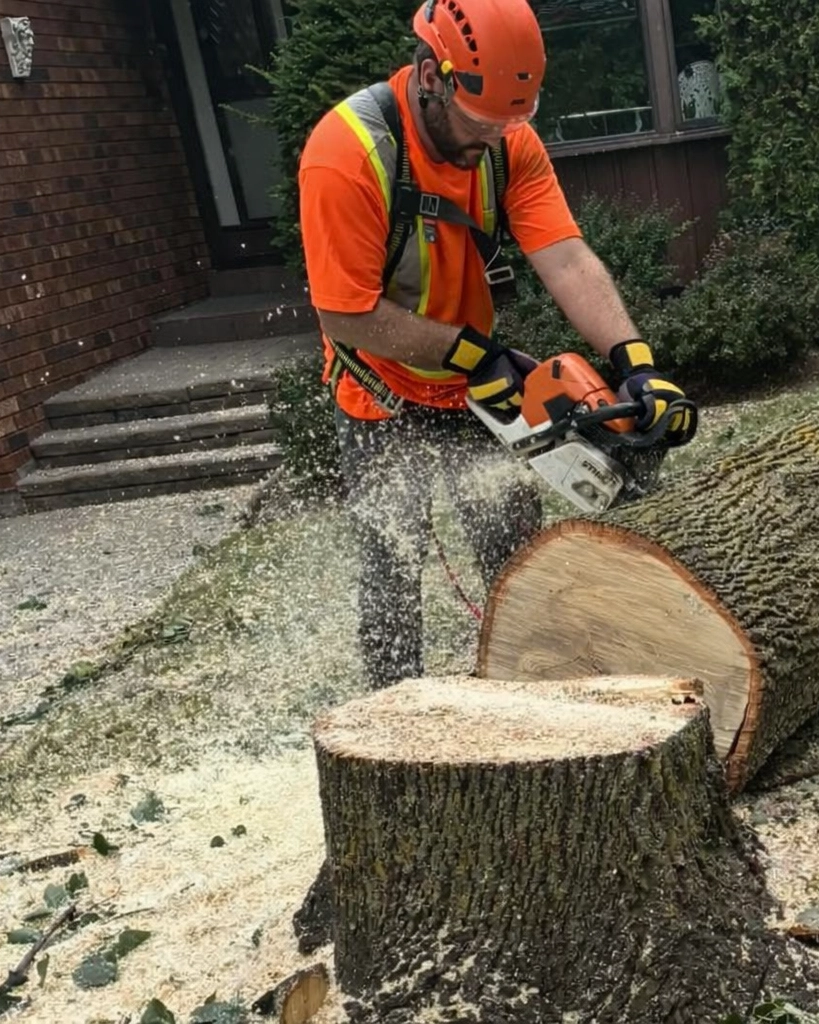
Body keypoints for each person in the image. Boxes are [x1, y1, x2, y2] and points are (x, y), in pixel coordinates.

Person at [296, 0, 698, 689]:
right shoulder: (348, 154)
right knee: (393, 568)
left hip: (473, 384)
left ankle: (537, 689)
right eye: (480, 122)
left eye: (509, 122)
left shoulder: (509, 141)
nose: (493, 139)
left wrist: (636, 364)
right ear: (432, 76)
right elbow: (346, 314)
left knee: (516, 551)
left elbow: (565, 258)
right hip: (380, 391)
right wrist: (475, 354)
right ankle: (392, 716)